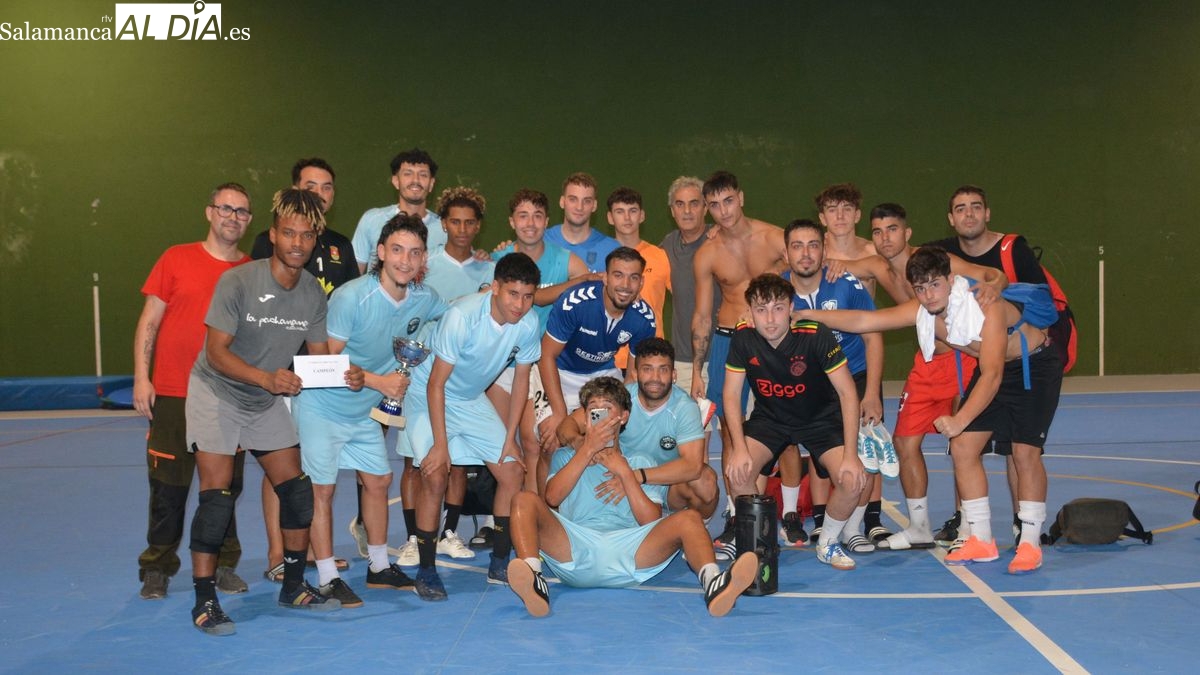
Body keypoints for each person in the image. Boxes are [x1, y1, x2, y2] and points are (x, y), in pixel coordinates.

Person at [801, 246, 1061, 575]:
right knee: (964, 448)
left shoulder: (985, 305)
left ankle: (1030, 542)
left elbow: (992, 375)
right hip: (996, 369)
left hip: (1032, 367)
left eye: (934, 285)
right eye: (920, 288)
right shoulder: (924, 310)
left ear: (951, 280)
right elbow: (865, 320)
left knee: (1024, 453)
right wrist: (807, 315)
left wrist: (959, 419)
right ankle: (981, 538)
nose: (928, 294)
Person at [186, 188, 359, 635]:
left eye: (306, 235)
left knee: (298, 492)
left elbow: (319, 359)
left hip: (262, 399)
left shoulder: (312, 296)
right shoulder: (239, 282)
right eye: (288, 233)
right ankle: (205, 602)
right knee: (216, 499)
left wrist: (349, 374)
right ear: (273, 235)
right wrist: (266, 378)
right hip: (217, 392)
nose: (297, 243)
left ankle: (294, 586)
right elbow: (216, 353)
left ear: (315, 239)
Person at [291, 214, 449, 608]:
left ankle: (379, 567)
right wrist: (381, 383)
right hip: (321, 406)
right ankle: (327, 576)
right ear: (380, 253)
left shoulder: (424, 298)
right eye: (397, 250)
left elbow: (451, 314)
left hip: (363, 412)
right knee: (322, 490)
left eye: (414, 253)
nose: (405, 260)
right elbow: (326, 363)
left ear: (423, 259)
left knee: (378, 481)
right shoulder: (350, 297)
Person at [830, 203, 1007, 553]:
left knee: (963, 445)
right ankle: (919, 526)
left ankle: (968, 525)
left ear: (907, 232)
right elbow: (816, 261)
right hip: (927, 362)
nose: (885, 238)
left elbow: (989, 273)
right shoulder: (878, 267)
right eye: (878, 231)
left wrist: (996, 285)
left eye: (892, 229)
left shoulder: (935, 261)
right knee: (904, 442)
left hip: (964, 359)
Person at [507, 376, 757, 618]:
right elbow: (551, 498)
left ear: (623, 417)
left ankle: (714, 583)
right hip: (575, 548)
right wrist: (587, 451)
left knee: (689, 518)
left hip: (630, 552)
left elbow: (650, 520)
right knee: (523, 500)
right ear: (584, 417)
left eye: (607, 408)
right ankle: (533, 577)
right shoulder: (565, 457)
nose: (600, 415)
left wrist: (626, 474)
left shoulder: (639, 462)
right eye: (593, 409)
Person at [133, 182, 252, 600]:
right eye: (226, 208)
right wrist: (141, 377)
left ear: (249, 220)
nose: (232, 217)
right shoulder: (175, 258)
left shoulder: (251, 271)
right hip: (172, 393)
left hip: (226, 397)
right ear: (209, 212)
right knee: (167, 486)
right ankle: (157, 567)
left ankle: (223, 563)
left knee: (222, 487)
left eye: (241, 212)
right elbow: (150, 320)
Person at [402, 252, 543, 600]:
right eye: (512, 294)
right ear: (495, 288)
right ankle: (427, 570)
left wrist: (510, 440)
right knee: (435, 475)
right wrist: (441, 445)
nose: (520, 305)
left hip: (468, 398)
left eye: (528, 296)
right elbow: (436, 385)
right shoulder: (462, 317)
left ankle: (499, 564)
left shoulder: (528, 323)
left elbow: (522, 383)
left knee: (511, 471)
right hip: (427, 394)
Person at [926, 185, 1057, 545]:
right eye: (960, 209)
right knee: (966, 447)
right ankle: (971, 529)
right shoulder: (943, 255)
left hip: (1026, 360)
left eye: (975, 207)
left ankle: (1025, 531)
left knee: (1022, 451)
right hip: (983, 359)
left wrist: (998, 289)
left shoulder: (1012, 250)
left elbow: (1039, 302)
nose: (968, 214)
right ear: (951, 218)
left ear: (987, 213)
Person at [250, 157, 358, 582]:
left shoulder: (340, 246)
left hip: (320, 371)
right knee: (281, 460)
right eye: (310, 185)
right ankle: (277, 554)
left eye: (327, 186)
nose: (318, 193)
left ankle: (314, 549)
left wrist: (337, 369)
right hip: (277, 372)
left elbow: (348, 309)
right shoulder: (267, 242)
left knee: (312, 463)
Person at [722, 274, 868, 570]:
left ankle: (827, 542)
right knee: (737, 473)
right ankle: (755, 541)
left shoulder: (816, 335)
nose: (770, 318)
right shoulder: (743, 337)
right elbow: (731, 394)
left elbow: (847, 393)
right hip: (771, 419)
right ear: (749, 312)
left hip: (820, 419)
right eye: (761, 310)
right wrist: (738, 448)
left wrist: (851, 455)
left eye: (778, 308)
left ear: (791, 308)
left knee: (853, 480)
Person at [391, 187, 495, 566]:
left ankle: (449, 531)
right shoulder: (423, 263)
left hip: (465, 383)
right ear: (444, 224)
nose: (463, 229)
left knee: (459, 462)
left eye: (470, 222)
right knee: (413, 460)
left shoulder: (489, 269)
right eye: (455, 221)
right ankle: (412, 539)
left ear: (479, 226)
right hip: (420, 376)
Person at [690, 170, 787, 556]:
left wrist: (785, 271)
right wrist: (698, 368)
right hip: (728, 340)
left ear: (741, 198)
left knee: (778, 428)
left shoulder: (774, 236)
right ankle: (736, 516)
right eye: (713, 205)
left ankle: (784, 511)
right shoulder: (708, 252)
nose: (722, 211)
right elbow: (701, 314)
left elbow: (814, 260)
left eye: (727, 201)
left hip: (772, 342)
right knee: (731, 432)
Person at [777, 219, 886, 552]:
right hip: (812, 383)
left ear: (824, 249)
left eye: (813, 245)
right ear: (786, 253)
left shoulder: (845, 283)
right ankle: (824, 520)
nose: (806, 254)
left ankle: (856, 527)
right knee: (821, 455)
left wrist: (871, 392)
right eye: (797, 246)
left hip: (855, 376)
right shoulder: (778, 291)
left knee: (866, 454)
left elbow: (873, 335)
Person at [489, 189, 591, 494]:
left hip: (545, 363)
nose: (530, 223)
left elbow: (588, 299)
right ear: (511, 221)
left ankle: (537, 512)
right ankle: (499, 516)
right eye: (523, 215)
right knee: (498, 441)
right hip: (502, 365)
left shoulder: (568, 261)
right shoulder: (497, 260)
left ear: (547, 221)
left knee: (533, 440)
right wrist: (575, 284)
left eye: (537, 216)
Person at [556, 337, 719, 518]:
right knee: (551, 447)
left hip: (664, 484)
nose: (655, 378)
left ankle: (697, 528)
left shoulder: (685, 407)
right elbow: (566, 426)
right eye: (647, 369)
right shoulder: (620, 398)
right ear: (634, 373)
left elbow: (693, 466)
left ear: (674, 375)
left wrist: (636, 476)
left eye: (663, 370)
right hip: (615, 474)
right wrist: (579, 443)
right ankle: (558, 519)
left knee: (706, 481)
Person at [536, 247, 657, 469]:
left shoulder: (644, 319)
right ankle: (542, 503)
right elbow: (546, 356)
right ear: (605, 277)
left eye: (633, 278)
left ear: (641, 282)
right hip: (558, 371)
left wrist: (619, 416)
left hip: (601, 375)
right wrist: (560, 413)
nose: (625, 285)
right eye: (618, 275)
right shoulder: (575, 302)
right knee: (549, 442)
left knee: (610, 440)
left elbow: (631, 376)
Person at [660, 176, 715, 397]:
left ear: (705, 208)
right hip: (682, 361)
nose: (687, 211)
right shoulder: (667, 245)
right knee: (688, 430)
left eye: (694, 203)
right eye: (679, 204)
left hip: (725, 357)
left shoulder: (721, 239)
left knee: (731, 429)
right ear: (672, 211)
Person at [606, 187, 670, 373]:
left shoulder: (660, 256)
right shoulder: (603, 255)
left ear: (642, 216)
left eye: (632, 211)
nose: (627, 218)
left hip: (650, 358)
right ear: (610, 218)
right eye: (620, 211)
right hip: (607, 360)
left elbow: (689, 297)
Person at [352, 148, 443, 273]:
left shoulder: (445, 228)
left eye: (423, 175)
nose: (415, 180)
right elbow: (353, 273)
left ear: (431, 183)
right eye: (408, 174)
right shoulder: (372, 219)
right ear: (396, 181)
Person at [544, 172, 620, 272]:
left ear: (594, 205)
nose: (579, 207)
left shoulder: (612, 249)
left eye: (587, 201)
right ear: (562, 202)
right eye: (573, 199)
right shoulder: (541, 241)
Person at [815, 182, 876, 296]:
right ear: (823, 218)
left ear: (857, 215)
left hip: (863, 313)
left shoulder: (873, 251)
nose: (840, 216)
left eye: (847, 209)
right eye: (832, 210)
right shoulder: (813, 252)